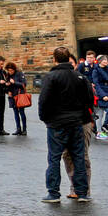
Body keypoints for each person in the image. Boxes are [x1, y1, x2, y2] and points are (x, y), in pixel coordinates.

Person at [38, 46, 92, 203]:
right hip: (76, 122)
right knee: (78, 157)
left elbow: (44, 101)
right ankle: (82, 192)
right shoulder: (80, 77)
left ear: (54, 59)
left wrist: (45, 118)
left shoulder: (52, 77)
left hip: (57, 123)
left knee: (54, 158)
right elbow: (88, 100)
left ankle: (54, 192)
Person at [90, 54, 108, 139]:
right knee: (100, 113)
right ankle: (99, 132)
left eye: (107, 60)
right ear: (100, 61)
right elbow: (96, 85)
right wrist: (103, 95)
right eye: (104, 60)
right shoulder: (95, 71)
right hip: (100, 93)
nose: (106, 61)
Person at [5, 61, 28, 135]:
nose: (10, 72)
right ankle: (18, 129)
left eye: (11, 70)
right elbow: (7, 86)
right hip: (12, 96)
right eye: (8, 70)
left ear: (14, 69)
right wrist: (8, 90)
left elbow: (24, 84)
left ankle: (24, 129)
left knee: (22, 112)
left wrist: (14, 82)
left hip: (19, 95)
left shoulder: (19, 74)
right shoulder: (8, 75)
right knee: (15, 113)